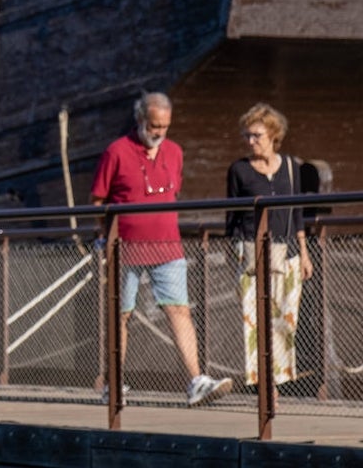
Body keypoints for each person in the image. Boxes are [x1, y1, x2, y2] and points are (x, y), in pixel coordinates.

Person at [90, 92, 232, 407]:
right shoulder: (117, 151)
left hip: (167, 245)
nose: (159, 132)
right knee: (121, 314)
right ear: (140, 120)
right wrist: (103, 238)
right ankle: (112, 383)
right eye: (154, 125)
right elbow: (98, 200)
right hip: (124, 246)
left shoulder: (175, 152)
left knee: (179, 309)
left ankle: (196, 380)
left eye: (165, 126)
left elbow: (174, 191)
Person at [226, 103, 313, 394]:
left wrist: (303, 251)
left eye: (257, 136)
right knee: (255, 322)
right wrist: (234, 251)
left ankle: (279, 378)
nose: (251, 142)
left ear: (274, 135)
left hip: (287, 253)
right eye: (247, 136)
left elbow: (297, 210)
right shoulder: (239, 170)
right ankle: (266, 386)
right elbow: (232, 217)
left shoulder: (290, 166)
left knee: (286, 320)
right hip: (252, 254)